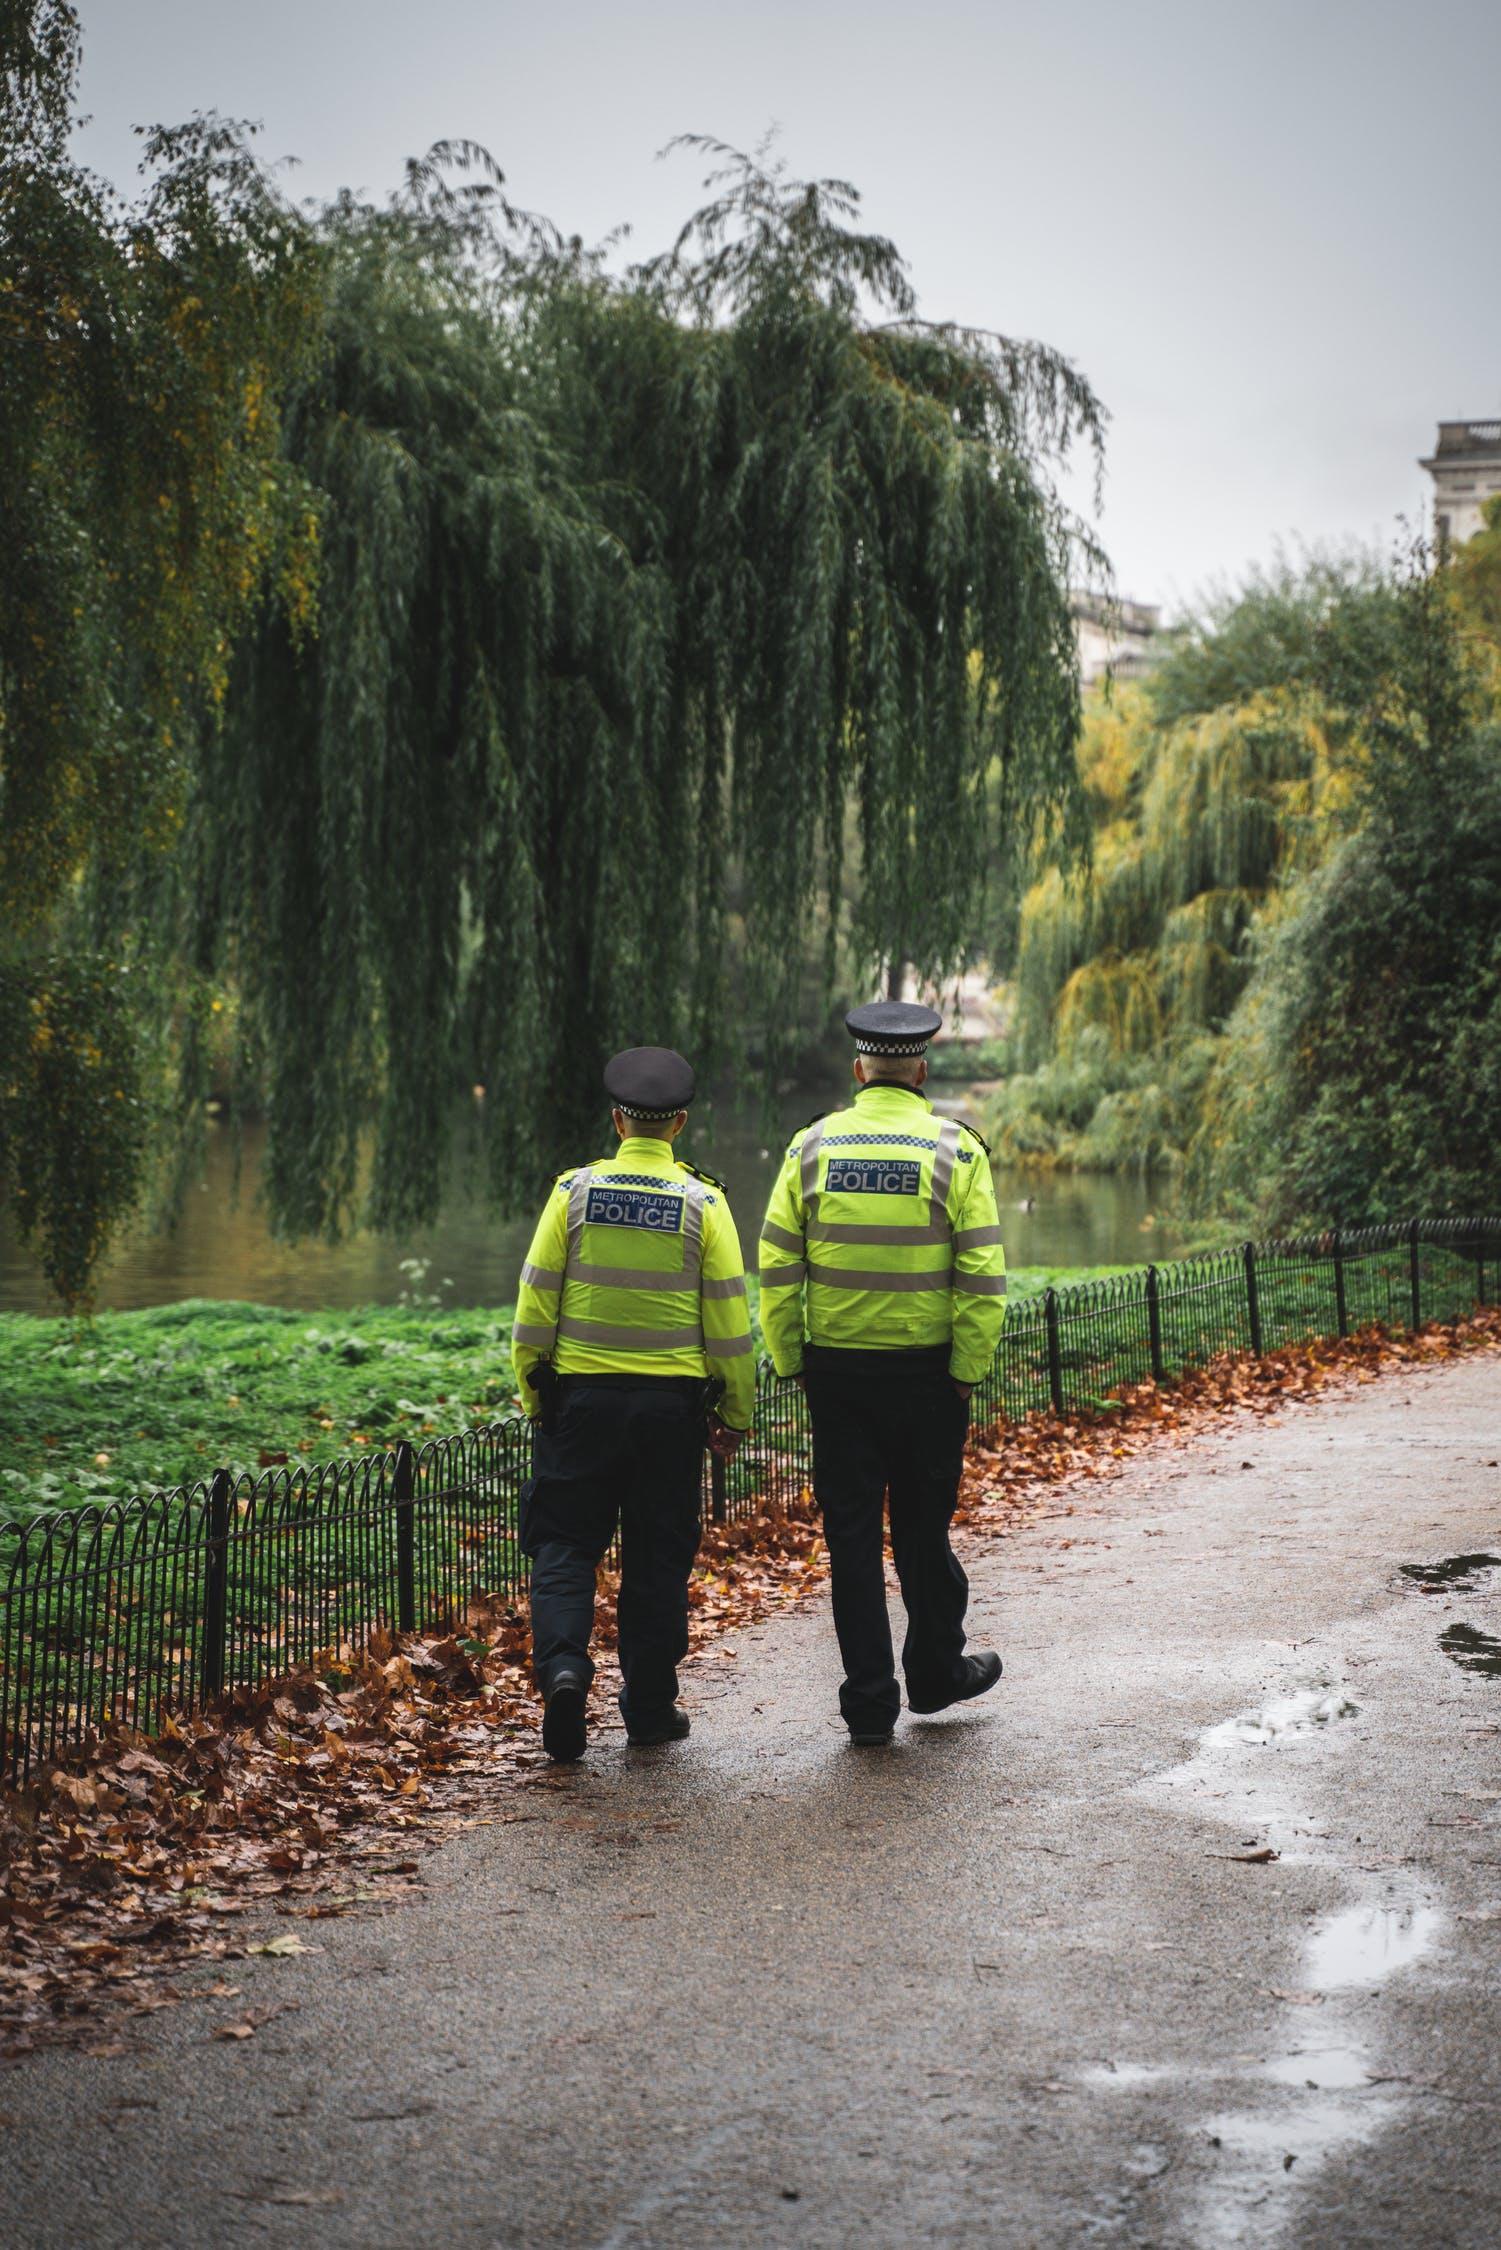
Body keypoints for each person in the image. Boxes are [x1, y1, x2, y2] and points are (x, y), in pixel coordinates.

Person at [757, 1001, 1007, 1745]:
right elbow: (982, 1274)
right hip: (929, 1377)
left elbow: (775, 1265)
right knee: (924, 1532)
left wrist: (791, 1358)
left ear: (859, 1069)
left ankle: (869, 1701)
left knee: (854, 1539)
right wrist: (965, 1371)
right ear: (921, 1070)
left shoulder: (810, 1147)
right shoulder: (956, 1152)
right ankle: (933, 1672)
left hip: (838, 1377)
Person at [511, 1047, 754, 1762]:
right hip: (667, 1415)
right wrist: (734, 1415)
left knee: (563, 1545)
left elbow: (534, 1308)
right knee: (655, 1560)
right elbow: (729, 1327)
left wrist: (535, 1393)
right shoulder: (704, 1205)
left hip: (579, 1404)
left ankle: (562, 1668)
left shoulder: (572, 1195)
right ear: (676, 1124)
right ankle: (648, 1709)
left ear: (617, 1120)